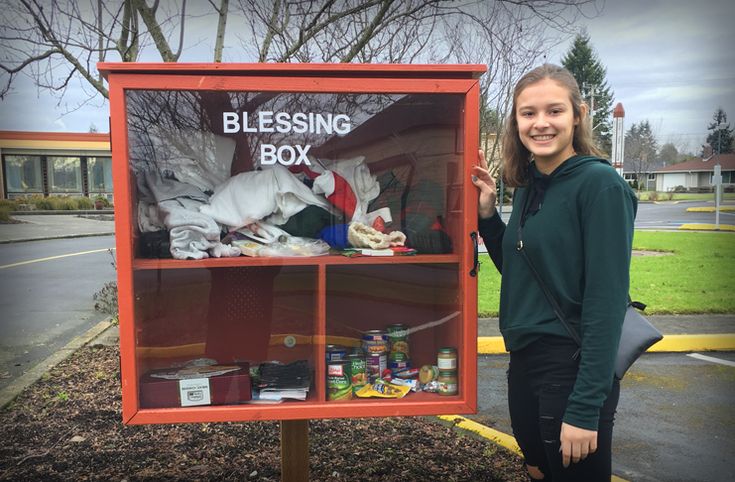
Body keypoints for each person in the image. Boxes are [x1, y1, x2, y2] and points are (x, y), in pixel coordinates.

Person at [471, 64, 637, 481]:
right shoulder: (530, 184)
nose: (540, 123)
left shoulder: (600, 186)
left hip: (572, 362)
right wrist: (489, 216)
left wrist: (585, 408)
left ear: (578, 115)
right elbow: (522, 271)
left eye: (554, 111)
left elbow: (607, 303)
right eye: (528, 113)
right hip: (525, 361)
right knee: (538, 469)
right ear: (516, 121)